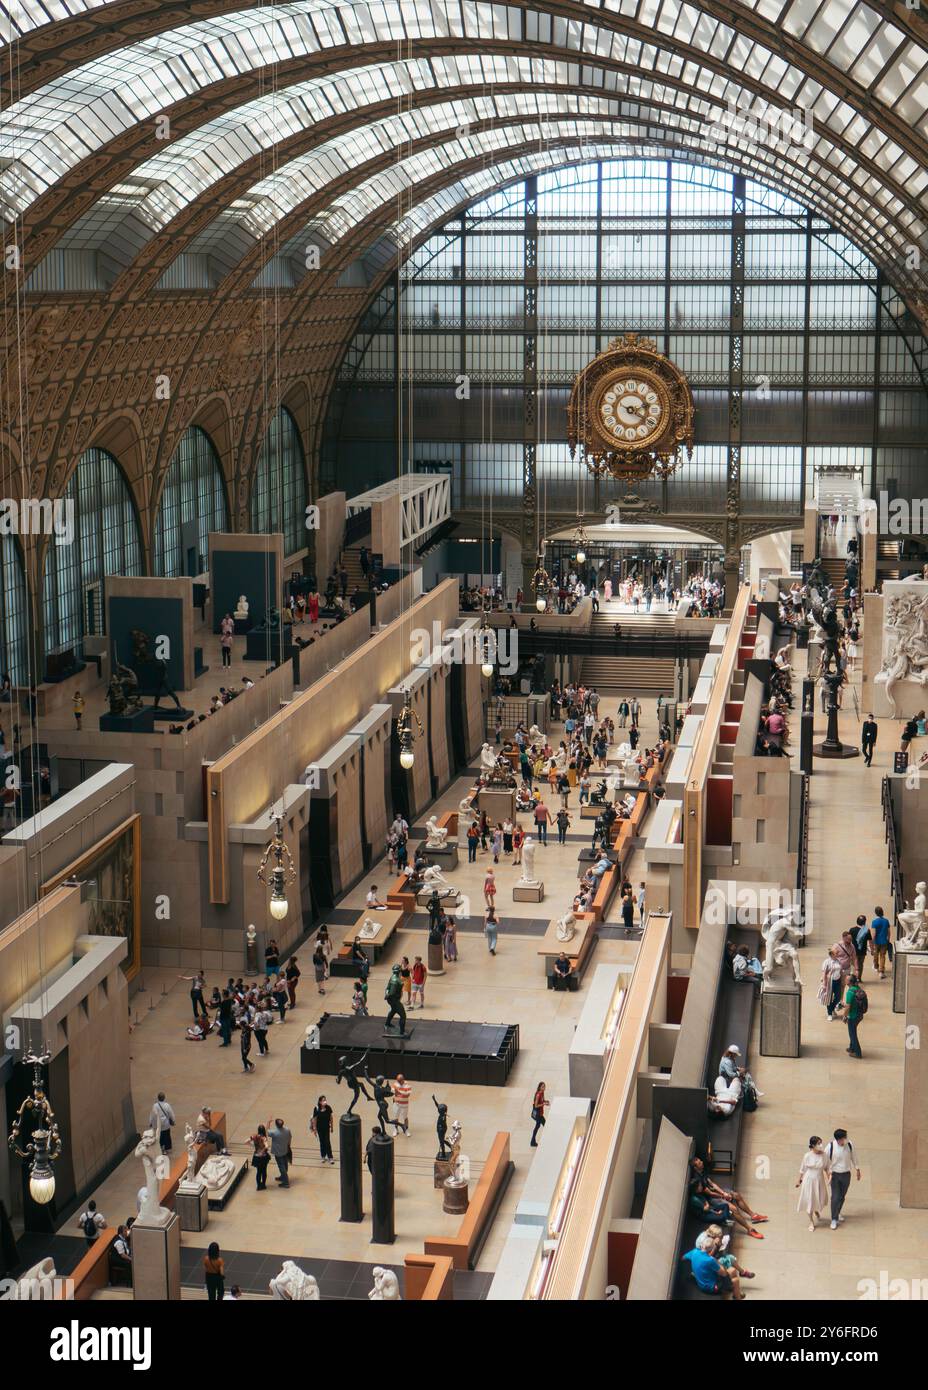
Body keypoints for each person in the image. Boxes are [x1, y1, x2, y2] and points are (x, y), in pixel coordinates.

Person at [681, 1243, 746, 1299]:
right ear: (711, 1250)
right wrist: (716, 1261)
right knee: (735, 1280)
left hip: (704, 1281)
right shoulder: (710, 1260)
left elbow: (683, 1258)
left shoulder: (695, 1251)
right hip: (711, 1288)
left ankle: (734, 1292)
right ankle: (737, 1297)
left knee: (733, 1270)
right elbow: (724, 1273)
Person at [826, 1129, 861, 1229]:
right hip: (835, 1175)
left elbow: (854, 1157)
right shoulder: (830, 1146)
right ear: (838, 1139)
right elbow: (825, 1160)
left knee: (842, 1196)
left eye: (846, 1137)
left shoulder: (849, 1145)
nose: (845, 1140)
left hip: (846, 1174)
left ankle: (837, 1212)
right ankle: (834, 1219)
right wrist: (828, 1173)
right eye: (843, 1138)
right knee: (835, 1197)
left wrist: (857, 1169)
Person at [796, 1136, 831, 1232]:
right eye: (818, 1143)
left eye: (821, 1143)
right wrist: (799, 1180)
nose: (821, 1145)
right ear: (813, 1145)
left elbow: (828, 1167)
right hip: (809, 1180)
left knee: (818, 1198)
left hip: (819, 1180)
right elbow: (802, 1169)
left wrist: (830, 1176)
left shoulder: (824, 1155)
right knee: (810, 1199)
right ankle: (811, 1221)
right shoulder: (807, 1155)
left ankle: (816, 1210)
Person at [835, 972, 866, 1058]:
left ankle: (858, 1053)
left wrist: (844, 1016)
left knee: (852, 1034)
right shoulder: (857, 988)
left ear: (849, 982)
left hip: (853, 1016)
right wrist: (844, 1005)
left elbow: (848, 1007)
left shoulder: (850, 992)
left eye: (846, 979)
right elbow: (851, 1004)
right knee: (853, 1031)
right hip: (859, 1015)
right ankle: (851, 1048)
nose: (845, 979)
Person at [818, 946, 845, 1020]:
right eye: (836, 953)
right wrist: (824, 983)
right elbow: (824, 973)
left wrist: (843, 980)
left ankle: (832, 1009)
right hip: (830, 982)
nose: (838, 954)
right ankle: (829, 1014)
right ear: (832, 954)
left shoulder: (838, 961)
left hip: (838, 980)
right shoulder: (826, 962)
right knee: (828, 998)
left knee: (838, 997)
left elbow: (841, 971)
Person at [268, 1116, 292, 1186]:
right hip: (285, 1150)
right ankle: (282, 1176)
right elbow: (290, 1137)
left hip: (278, 1152)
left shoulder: (274, 1132)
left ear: (276, 1125)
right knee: (285, 1164)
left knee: (281, 1166)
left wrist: (268, 1122)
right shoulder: (287, 1130)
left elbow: (267, 1131)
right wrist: (288, 1146)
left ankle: (286, 1182)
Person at [869, 905, 891, 979]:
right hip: (884, 941)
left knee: (875, 955)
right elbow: (888, 932)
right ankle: (881, 971)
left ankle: (876, 966)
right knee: (882, 956)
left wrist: (872, 941)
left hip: (876, 941)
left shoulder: (874, 922)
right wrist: (888, 939)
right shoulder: (886, 921)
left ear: (876, 913)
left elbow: (873, 933)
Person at [311, 1096, 335, 1164]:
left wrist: (332, 1127)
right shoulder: (316, 1109)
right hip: (320, 1129)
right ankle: (323, 1156)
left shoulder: (328, 1108)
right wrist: (314, 1129)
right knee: (322, 1142)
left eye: (325, 1100)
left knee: (327, 1142)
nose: (325, 1101)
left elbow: (331, 1118)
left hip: (326, 1128)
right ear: (320, 1102)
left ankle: (330, 1157)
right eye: (323, 1100)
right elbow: (314, 1119)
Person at [250, 1124, 271, 1190]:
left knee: (258, 1171)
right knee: (264, 1171)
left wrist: (251, 1145)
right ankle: (264, 1185)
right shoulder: (264, 1138)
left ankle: (258, 1186)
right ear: (264, 1131)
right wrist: (263, 1151)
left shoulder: (255, 1137)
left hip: (257, 1157)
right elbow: (267, 1146)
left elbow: (246, 1141)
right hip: (264, 1157)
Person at [530, 1081, 549, 1146]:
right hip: (538, 1114)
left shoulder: (542, 1093)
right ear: (540, 1087)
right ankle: (534, 1141)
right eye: (543, 1087)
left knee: (537, 1126)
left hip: (540, 1113)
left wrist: (545, 1102)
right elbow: (536, 1105)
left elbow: (542, 1101)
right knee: (545, 1125)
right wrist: (543, 1103)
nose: (544, 1088)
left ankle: (532, 1141)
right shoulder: (538, 1095)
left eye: (544, 1086)